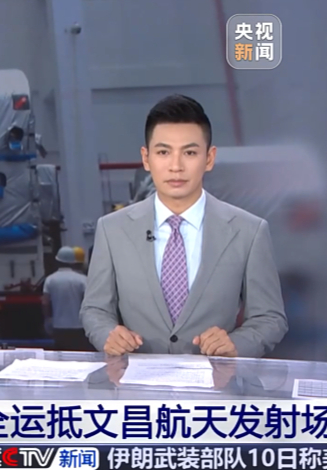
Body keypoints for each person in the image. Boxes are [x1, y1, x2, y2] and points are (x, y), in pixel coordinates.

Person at [80, 94, 287, 358]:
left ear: (209, 158)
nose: (176, 166)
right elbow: (95, 310)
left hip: (215, 381)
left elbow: (270, 318)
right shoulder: (112, 230)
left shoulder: (249, 231)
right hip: (137, 379)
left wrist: (237, 344)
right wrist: (107, 335)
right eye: (163, 152)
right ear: (146, 158)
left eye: (189, 153)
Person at [43, 246, 92, 351]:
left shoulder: (50, 279)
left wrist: (48, 319)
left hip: (58, 327)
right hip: (79, 327)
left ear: (57, 261)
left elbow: (45, 302)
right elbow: (88, 303)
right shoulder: (82, 280)